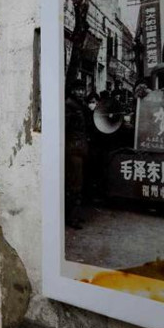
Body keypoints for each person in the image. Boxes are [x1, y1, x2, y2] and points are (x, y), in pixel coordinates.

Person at [65, 81, 89, 229]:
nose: (81, 92)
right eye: (78, 89)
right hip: (73, 149)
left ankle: (75, 215)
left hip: (80, 148)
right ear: (73, 90)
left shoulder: (79, 105)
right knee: (75, 184)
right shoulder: (69, 105)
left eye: (82, 89)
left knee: (78, 183)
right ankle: (72, 218)